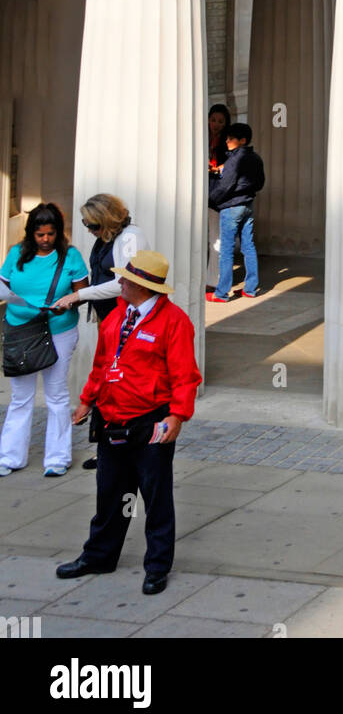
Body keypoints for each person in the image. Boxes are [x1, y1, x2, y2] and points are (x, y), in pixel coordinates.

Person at [56, 251, 201, 596]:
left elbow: (185, 376)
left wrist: (177, 416)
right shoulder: (117, 316)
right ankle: (99, 556)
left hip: (151, 421)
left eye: (125, 279)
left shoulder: (174, 322)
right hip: (112, 417)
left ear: (142, 286)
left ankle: (157, 567)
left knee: (156, 497)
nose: (119, 282)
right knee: (110, 493)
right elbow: (103, 363)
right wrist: (88, 400)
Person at [53, 194, 150, 469]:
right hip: (109, 315)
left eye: (92, 224)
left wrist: (79, 295)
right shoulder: (107, 238)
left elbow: (124, 282)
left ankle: (120, 444)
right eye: (86, 224)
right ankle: (108, 445)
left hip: (124, 316)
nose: (89, 229)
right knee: (109, 376)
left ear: (107, 220)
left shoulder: (130, 237)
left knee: (120, 378)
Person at [0, 203, 88, 478]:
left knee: (57, 394)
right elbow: (4, 285)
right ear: (31, 234)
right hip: (21, 329)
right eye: (40, 235)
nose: (46, 239)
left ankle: (57, 458)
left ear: (59, 233)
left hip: (58, 330)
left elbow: (82, 293)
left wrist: (67, 303)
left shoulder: (71, 257)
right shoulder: (16, 254)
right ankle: (10, 457)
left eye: (51, 234)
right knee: (21, 396)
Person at [207, 122, 265, 302]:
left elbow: (226, 185)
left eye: (231, 138)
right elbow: (260, 183)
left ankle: (222, 293)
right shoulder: (256, 158)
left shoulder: (234, 159)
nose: (227, 141)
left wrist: (211, 198)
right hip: (247, 204)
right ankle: (250, 289)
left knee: (226, 250)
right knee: (248, 247)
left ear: (242, 140)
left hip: (231, 206)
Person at [206, 103, 232, 291]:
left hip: (216, 194)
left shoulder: (227, 144)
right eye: (213, 120)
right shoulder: (201, 138)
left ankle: (215, 279)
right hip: (201, 189)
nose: (216, 124)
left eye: (220, 121)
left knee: (216, 236)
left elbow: (231, 166)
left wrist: (215, 168)